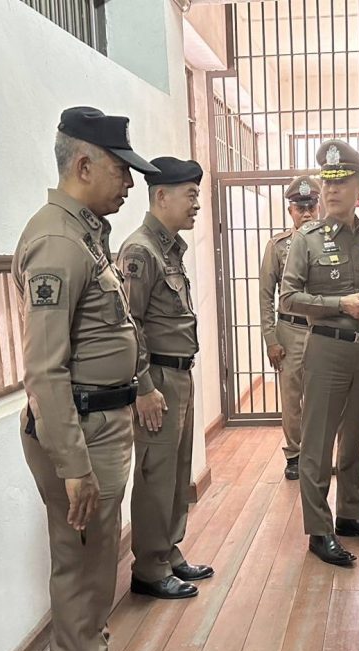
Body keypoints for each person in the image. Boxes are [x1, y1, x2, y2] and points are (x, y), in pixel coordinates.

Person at [14, 106, 157, 651]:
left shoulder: (85, 234)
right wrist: (72, 465)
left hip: (101, 423)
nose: (129, 183)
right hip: (79, 430)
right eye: (122, 171)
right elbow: (45, 370)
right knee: (80, 559)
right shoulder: (57, 243)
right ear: (84, 164)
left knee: (98, 554)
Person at [279, 139, 359, 567]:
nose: (330, 190)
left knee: (354, 439)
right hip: (326, 349)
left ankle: (350, 514)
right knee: (317, 444)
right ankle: (319, 530)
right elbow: (288, 299)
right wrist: (339, 305)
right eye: (326, 182)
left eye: (341, 182)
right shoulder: (307, 240)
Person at [117, 157, 213, 600]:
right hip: (155, 377)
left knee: (175, 472)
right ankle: (149, 568)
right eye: (190, 195)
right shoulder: (141, 251)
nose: (196, 204)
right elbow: (129, 324)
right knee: (155, 473)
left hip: (178, 373)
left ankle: (168, 551)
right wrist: (144, 387)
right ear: (161, 196)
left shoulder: (169, 248)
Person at [259, 175, 321, 481]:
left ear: (319, 207)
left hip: (323, 330)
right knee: (292, 397)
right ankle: (295, 454)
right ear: (290, 211)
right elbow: (265, 296)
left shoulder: (330, 244)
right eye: (300, 208)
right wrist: (271, 338)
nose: (306, 213)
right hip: (290, 330)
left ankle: (318, 454)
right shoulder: (278, 246)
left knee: (322, 397)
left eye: (311, 206)